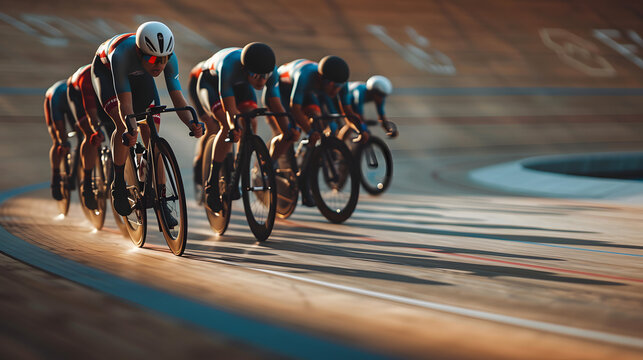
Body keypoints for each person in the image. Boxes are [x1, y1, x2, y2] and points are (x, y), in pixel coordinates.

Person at [90, 21, 203, 221]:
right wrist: (130, 129)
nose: (159, 65)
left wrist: (191, 123)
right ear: (140, 52)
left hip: (141, 74)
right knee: (123, 124)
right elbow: (125, 104)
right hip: (107, 74)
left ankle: (161, 200)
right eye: (153, 59)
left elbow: (177, 97)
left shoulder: (166, 59)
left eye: (164, 59)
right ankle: (118, 184)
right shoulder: (121, 55)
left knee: (152, 136)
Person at [196, 42, 293, 212]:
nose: (261, 80)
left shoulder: (272, 73)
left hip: (241, 85)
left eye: (265, 76)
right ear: (245, 69)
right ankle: (211, 183)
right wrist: (234, 127)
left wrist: (288, 131)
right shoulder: (228, 66)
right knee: (227, 125)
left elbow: (276, 105)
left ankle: (237, 167)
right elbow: (230, 109)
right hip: (210, 83)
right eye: (257, 76)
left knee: (251, 121)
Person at [271, 56, 368, 205]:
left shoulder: (339, 85)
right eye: (333, 86)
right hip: (283, 90)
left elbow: (348, 112)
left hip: (308, 92)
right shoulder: (305, 76)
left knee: (319, 123)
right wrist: (309, 131)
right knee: (291, 131)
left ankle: (304, 175)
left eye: (339, 87)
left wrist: (361, 129)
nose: (336, 90)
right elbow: (294, 108)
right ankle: (269, 164)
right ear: (322, 79)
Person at [67, 64, 115, 210]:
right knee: (92, 136)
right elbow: (90, 113)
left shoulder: (116, 74)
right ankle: (87, 184)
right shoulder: (87, 77)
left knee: (116, 129)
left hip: (101, 96)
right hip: (78, 95)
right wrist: (95, 129)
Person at [337, 75, 398, 139]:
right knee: (352, 123)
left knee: (354, 126)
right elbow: (359, 114)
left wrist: (388, 129)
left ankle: (341, 144)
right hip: (340, 100)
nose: (382, 99)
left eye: (384, 96)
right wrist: (364, 129)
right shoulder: (359, 93)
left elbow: (381, 115)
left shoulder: (379, 96)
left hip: (352, 103)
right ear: (373, 92)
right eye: (380, 95)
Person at [44, 80, 74, 201]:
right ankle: (55, 177)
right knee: (58, 140)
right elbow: (57, 126)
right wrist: (62, 141)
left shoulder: (78, 96)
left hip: (72, 104)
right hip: (53, 101)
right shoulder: (57, 96)